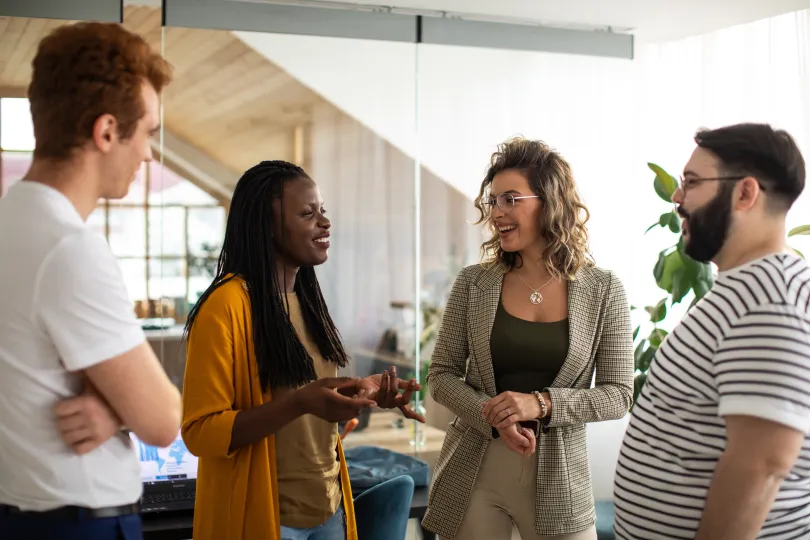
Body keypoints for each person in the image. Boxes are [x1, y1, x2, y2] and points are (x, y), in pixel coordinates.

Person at [0, 22, 182, 540]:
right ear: (106, 132)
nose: (148, 154)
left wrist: (111, 406)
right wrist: (125, 407)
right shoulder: (69, 248)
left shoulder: (8, 223)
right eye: (147, 132)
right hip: (80, 523)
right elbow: (163, 420)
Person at [181, 160, 424, 540]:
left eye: (322, 211)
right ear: (268, 226)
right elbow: (200, 432)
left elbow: (312, 414)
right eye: (308, 213)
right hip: (266, 518)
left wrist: (361, 392)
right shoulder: (226, 305)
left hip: (327, 510)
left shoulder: (308, 299)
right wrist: (300, 403)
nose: (325, 223)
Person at [422, 137, 635, 540]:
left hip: (561, 484)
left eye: (510, 200)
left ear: (550, 202)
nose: (496, 213)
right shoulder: (474, 283)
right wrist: (494, 414)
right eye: (493, 201)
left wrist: (539, 404)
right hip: (474, 476)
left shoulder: (604, 288)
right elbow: (442, 375)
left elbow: (619, 394)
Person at [613, 123, 810, 540]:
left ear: (744, 193)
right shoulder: (746, 288)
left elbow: (763, 463)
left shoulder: (768, 298)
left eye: (692, 182)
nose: (677, 197)